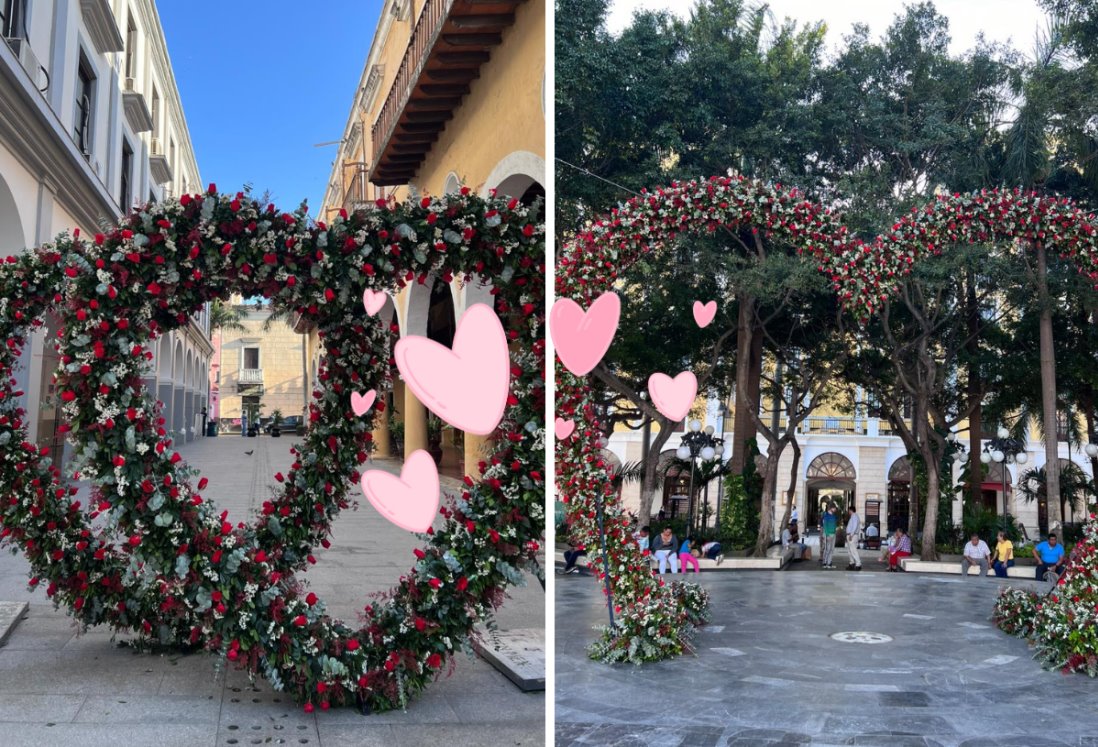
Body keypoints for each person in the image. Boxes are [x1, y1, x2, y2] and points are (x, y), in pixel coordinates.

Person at [820, 505, 838, 569]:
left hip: (833, 534)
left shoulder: (834, 516)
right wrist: (827, 534)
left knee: (832, 549)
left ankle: (829, 562)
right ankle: (824, 562)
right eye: (834, 508)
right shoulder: (826, 516)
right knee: (827, 549)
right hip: (828, 534)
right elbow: (825, 526)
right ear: (831, 508)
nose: (835, 509)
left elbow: (836, 523)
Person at [845, 505, 862, 571]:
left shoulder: (854, 516)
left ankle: (858, 564)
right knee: (850, 550)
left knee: (853, 550)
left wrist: (851, 535)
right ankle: (852, 563)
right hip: (851, 535)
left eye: (849, 510)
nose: (848, 512)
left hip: (852, 535)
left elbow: (854, 526)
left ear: (850, 510)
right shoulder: (853, 516)